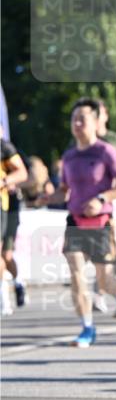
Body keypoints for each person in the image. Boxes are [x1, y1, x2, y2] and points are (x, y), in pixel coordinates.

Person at [38, 99, 116, 344]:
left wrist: (103, 198)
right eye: (74, 119)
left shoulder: (106, 151)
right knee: (77, 275)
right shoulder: (69, 156)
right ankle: (87, 327)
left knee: (104, 280)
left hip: (101, 222)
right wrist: (48, 197)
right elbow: (64, 190)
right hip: (75, 221)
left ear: (95, 121)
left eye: (82, 119)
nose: (77, 123)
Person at [0, 130, 28, 314]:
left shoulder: (4, 147)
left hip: (8, 208)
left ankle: (14, 286)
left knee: (6, 255)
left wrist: (5, 180)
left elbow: (23, 173)